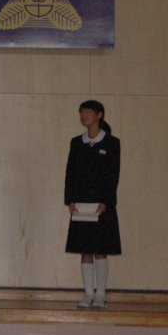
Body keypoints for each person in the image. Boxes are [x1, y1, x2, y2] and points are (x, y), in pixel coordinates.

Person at [64, 99, 120, 309]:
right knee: (85, 250)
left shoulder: (112, 143)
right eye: (82, 112)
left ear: (99, 115)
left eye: (88, 111)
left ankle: (101, 295)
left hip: (102, 205)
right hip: (81, 204)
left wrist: (106, 201)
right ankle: (88, 294)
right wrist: (70, 200)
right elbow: (70, 173)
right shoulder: (76, 142)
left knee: (100, 250)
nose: (84, 115)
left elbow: (113, 175)